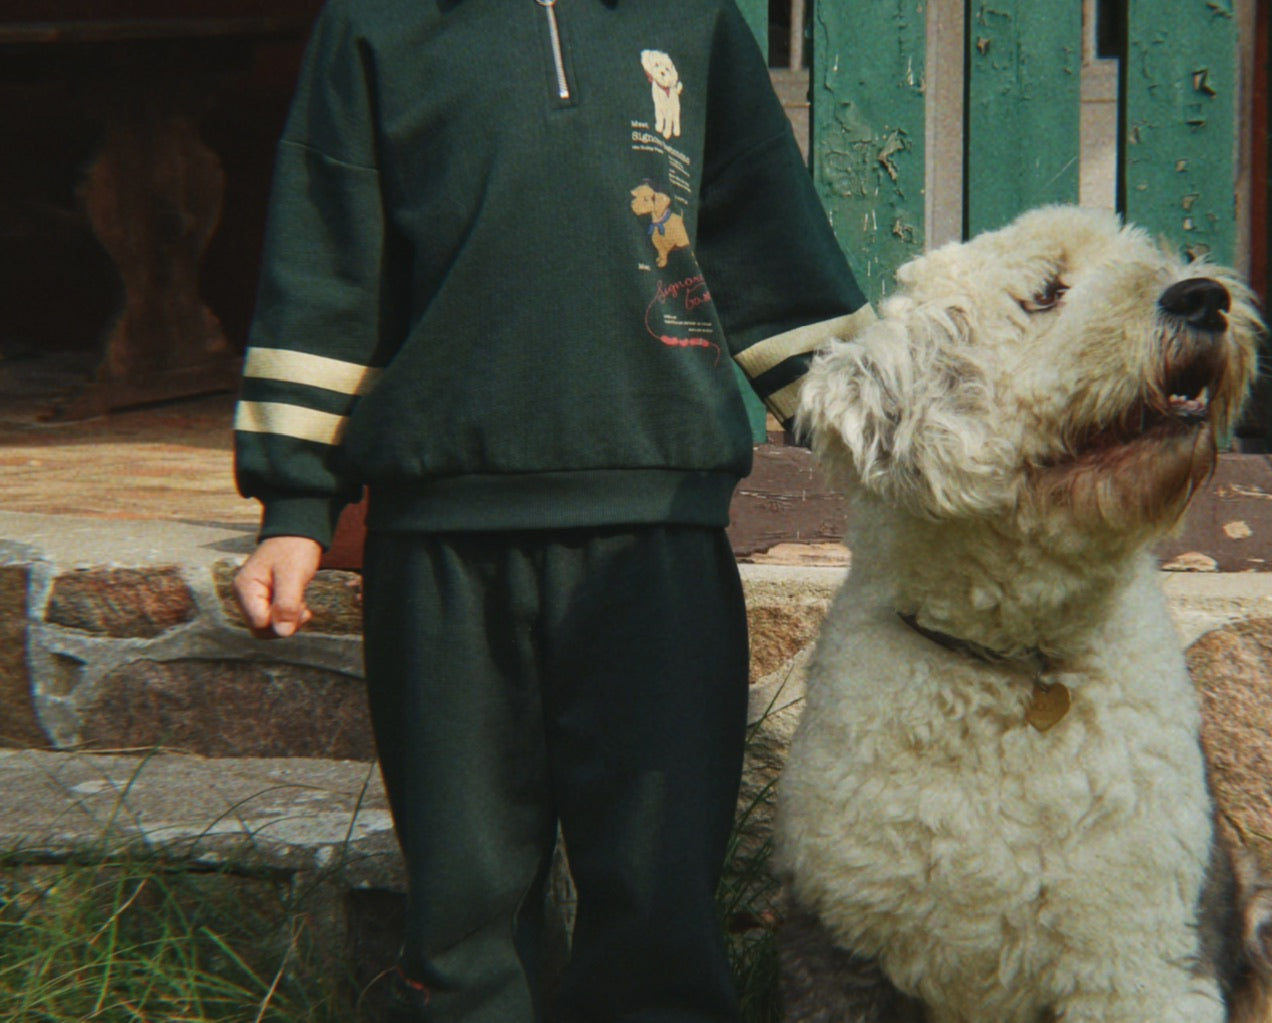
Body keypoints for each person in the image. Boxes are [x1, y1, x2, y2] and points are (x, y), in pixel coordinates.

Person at [230, 1, 870, 1020]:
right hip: (440, 543)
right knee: (463, 907)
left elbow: (769, 237)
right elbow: (324, 262)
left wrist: (881, 443)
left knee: (658, 901)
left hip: (656, 528)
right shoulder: (374, 27)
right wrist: (296, 504)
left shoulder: (693, 19)